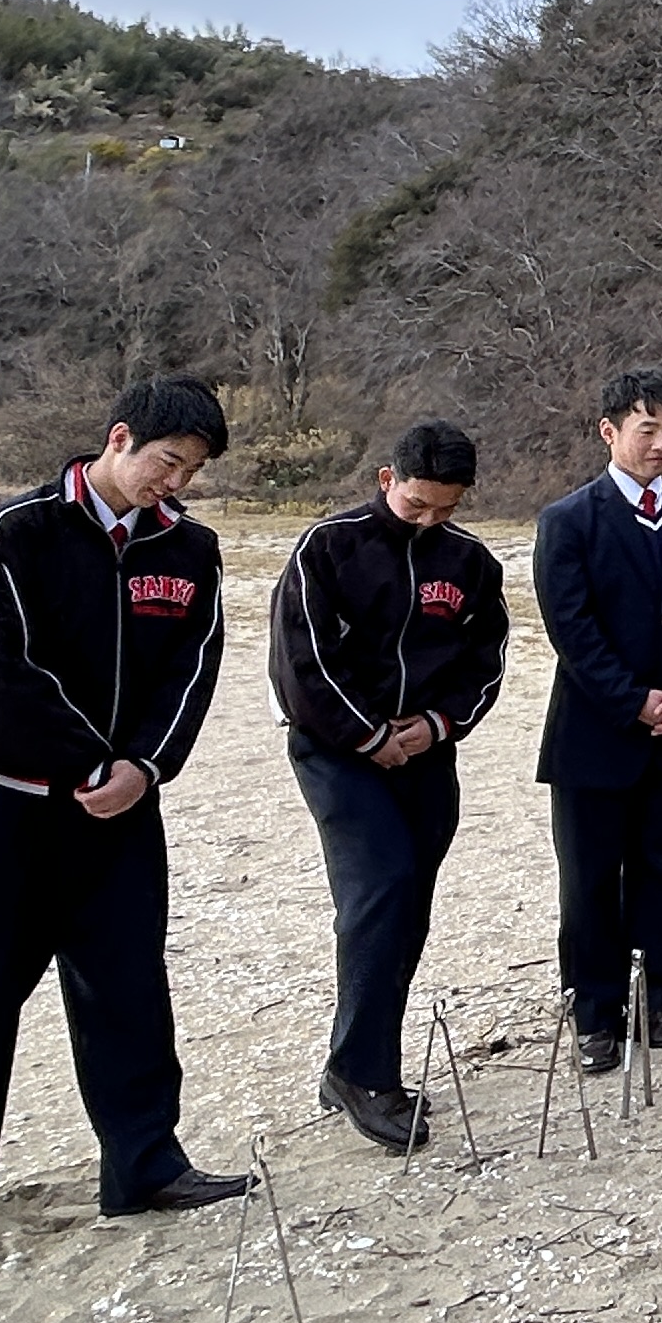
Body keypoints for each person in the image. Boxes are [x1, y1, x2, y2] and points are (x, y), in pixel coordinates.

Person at [0, 375, 250, 1266]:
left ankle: (147, 1167)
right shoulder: (13, 534)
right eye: (168, 461)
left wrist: (144, 769)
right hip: (1, 808)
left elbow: (190, 672)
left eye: (193, 471)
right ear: (119, 439)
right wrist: (88, 764)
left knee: (127, 990)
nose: (177, 483)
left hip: (123, 813)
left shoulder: (189, 550)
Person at [268, 420, 512, 1148]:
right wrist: (369, 736)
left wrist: (435, 726)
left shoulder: (469, 562)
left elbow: (487, 659)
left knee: (409, 906)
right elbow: (298, 664)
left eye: (445, 508)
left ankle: (359, 1058)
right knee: (378, 889)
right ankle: (364, 1076)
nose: (430, 519)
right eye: (416, 506)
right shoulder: (328, 548)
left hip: (427, 751)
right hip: (340, 753)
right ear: (387, 480)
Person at [532, 371, 662, 1074]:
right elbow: (572, 627)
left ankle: (654, 1004)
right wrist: (633, 699)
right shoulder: (569, 520)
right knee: (590, 879)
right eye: (646, 429)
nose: (661, 444)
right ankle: (593, 1014)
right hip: (597, 732)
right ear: (609, 432)